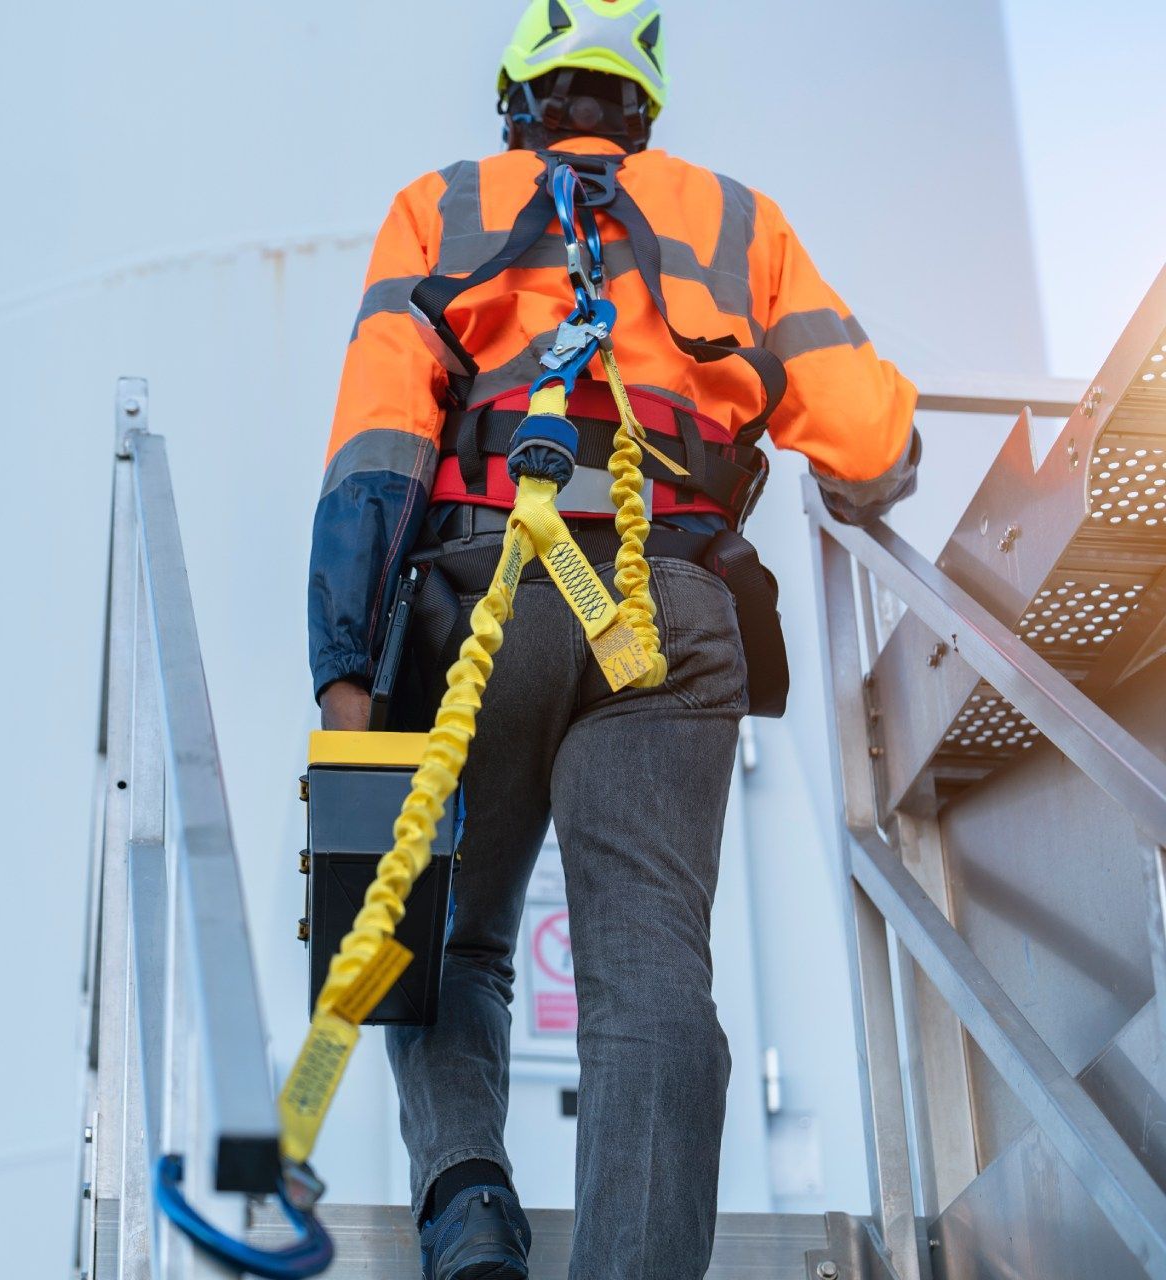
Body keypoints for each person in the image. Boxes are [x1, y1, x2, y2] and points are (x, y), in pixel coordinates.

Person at [306, 3, 919, 1277]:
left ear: (516, 94)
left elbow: (377, 448)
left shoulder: (443, 204)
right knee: (649, 982)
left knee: (432, 938)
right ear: (643, 102)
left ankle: (470, 1210)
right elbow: (864, 436)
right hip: (669, 612)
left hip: (487, 585)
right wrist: (886, 470)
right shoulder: (734, 220)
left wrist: (347, 676)